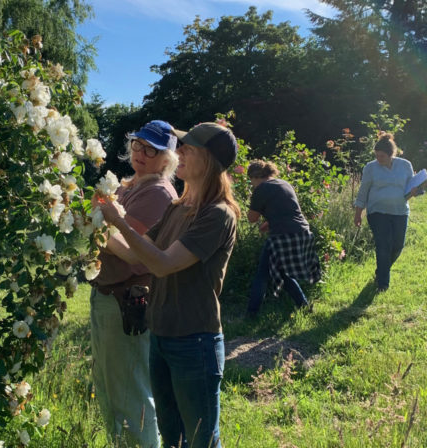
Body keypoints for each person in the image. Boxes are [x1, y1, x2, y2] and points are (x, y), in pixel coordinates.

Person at [95, 122, 240, 448]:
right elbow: (135, 251)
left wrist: (117, 220)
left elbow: (162, 264)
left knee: (202, 439)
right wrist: (96, 224)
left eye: (190, 148)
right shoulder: (178, 208)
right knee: (173, 437)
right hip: (161, 334)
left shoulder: (218, 215)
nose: (180, 152)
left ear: (211, 160)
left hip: (195, 340)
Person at [90, 120, 179, 448]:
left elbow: (135, 255)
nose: (141, 153)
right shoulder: (128, 185)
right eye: (138, 145)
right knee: (109, 387)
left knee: (129, 394)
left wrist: (95, 223)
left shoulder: (157, 193)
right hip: (107, 295)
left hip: (125, 302)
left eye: (152, 149)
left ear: (167, 158)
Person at [245, 160, 321, 317]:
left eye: (251, 181)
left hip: (282, 235)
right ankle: (304, 306)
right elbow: (287, 211)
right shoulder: (284, 183)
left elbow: (252, 218)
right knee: (282, 273)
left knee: (262, 274)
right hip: (302, 231)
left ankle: (251, 315)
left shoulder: (261, 189)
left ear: (254, 177)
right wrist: (269, 222)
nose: (251, 184)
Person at [354, 132, 419, 292]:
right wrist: (358, 213)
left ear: (391, 155)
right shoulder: (370, 168)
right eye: (376, 156)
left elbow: (410, 188)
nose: (379, 159)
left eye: (382, 156)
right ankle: (383, 284)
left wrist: (414, 191)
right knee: (383, 246)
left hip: (400, 211)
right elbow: (363, 192)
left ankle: (381, 270)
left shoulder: (405, 165)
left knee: (398, 245)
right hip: (377, 211)